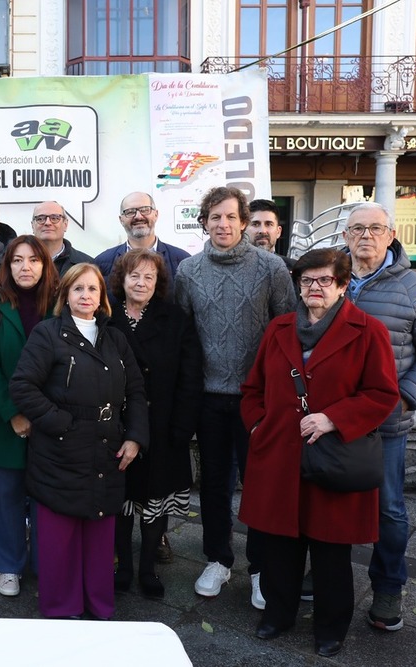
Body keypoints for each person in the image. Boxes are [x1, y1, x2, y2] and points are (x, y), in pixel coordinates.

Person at [240, 248, 400, 658]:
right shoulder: (279, 329)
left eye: (324, 280)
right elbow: (253, 389)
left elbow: (383, 394)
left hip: (334, 456)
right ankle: (278, 615)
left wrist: (335, 418)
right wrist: (258, 426)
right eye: (306, 280)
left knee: (331, 552)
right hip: (278, 455)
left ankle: (331, 629)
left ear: (343, 284)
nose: (314, 288)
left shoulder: (368, 331)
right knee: (280, 546)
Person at [175, 186, 295, 608]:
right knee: (213, 483)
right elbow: (183, 338)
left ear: (244, 222)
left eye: (230, 217)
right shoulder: (188, 272)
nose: (222, 224)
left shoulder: (271, 268)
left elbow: (288, 331)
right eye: (214, 217)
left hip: (257, 400)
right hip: (209, 398)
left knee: (260, 485)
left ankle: (261, 568)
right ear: (204, 221)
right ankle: (218, 559)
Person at [10, 263, 148, 620]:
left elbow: (135, 390)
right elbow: (22, 386)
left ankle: (98, 607)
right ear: (65, 296)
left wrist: (134, 437)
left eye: (92, 289)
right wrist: (61, 423)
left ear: (102, 297)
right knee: (60, 536)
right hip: (60, 448)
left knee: (100, 535)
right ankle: (62, 610)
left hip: (107, 449)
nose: (86, 296)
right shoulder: (48, 334)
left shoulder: (114, 337)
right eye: (78, 289)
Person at [340, 202, 416, 631]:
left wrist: (405, 397)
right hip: (331, 419)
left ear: (391, 235)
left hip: (384, 423)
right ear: (346, 236)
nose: (365, 236)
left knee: (388, 509)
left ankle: (388, 586)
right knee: (326, 496)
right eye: (356, 229)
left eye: (375, 228)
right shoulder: (332, 278)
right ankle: (326, 570)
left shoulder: (412, 287)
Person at [108, 249, 203, 599]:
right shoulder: (106, 316)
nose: (141, 282)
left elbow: (190, 377)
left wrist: (182, 427)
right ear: (122, 279)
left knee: (154, 501)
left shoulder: (175, 318)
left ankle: (148, 569)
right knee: (121, 500)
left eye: (149, 277)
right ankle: (123, 567)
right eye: (135, 275)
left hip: (163, 427)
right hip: (118, 426)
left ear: (159, 282)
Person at [0, 235, 59, 597]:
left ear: (45, 265)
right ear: (6, 266)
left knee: (48, 495)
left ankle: (46, 564)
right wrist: (12, 413)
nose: (26, 267)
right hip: (3, 418)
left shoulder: (59, 303)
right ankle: (7, 565)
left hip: (50, 418)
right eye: (17, 260)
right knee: (3, 493)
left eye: (34, 260)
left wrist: (45, 414)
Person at [94, 191, 190, 285]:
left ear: (156, 214)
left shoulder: (182, 262)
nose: (138, 216)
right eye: (130, 212)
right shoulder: (102, 263)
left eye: (145, 210)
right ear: (121, 220)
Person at [29, 201, 93, 276]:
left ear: (65, 225)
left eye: (55, 218)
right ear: (32, 226)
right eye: (40, 219)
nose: (48, 223)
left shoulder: (87, 264)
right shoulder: (17, 263)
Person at [246, 199, 294, 269]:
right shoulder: (231, 269)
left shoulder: (295, 269)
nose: (262, 231)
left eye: (269, 224)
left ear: (278, 232)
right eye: (255, 224)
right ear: (244, 230)